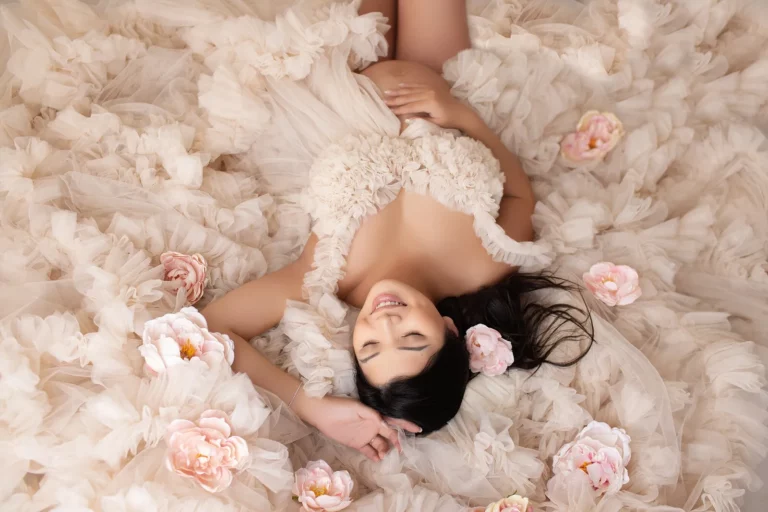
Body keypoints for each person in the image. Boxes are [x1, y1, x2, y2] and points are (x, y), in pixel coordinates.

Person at [201, 0, 593, 463]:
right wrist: (462, 117)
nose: (385, 323)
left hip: (347, 69)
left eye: (368, 346)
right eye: (412, 339)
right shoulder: (484, 263)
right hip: (434, 78)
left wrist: (311, 407)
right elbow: (519, 199)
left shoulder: (329, 274)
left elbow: (215, 328)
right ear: (450, 330)